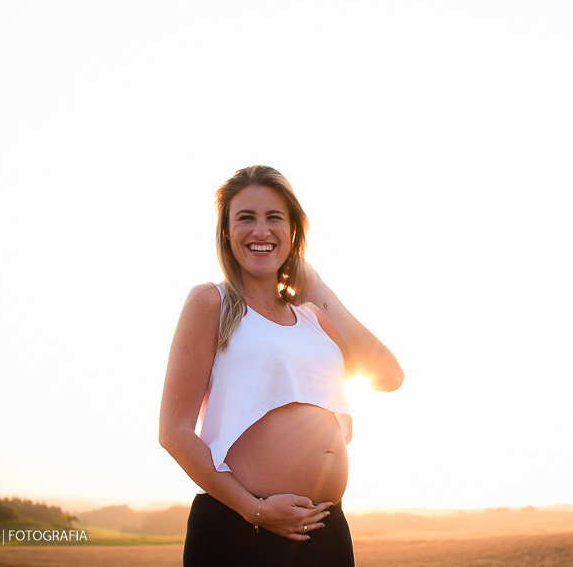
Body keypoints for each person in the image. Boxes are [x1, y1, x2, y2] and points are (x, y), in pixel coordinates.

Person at [159, 165, 403, 567]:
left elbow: (390, 376)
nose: (261, 230)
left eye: (274, 218)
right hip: (241, 528)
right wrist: (253, 510)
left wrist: (319, 288)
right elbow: (174, 432)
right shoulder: (211, 302)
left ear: (293, 232)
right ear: (226, 232)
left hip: (325, 529)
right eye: (246, 218)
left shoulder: (313, 317)